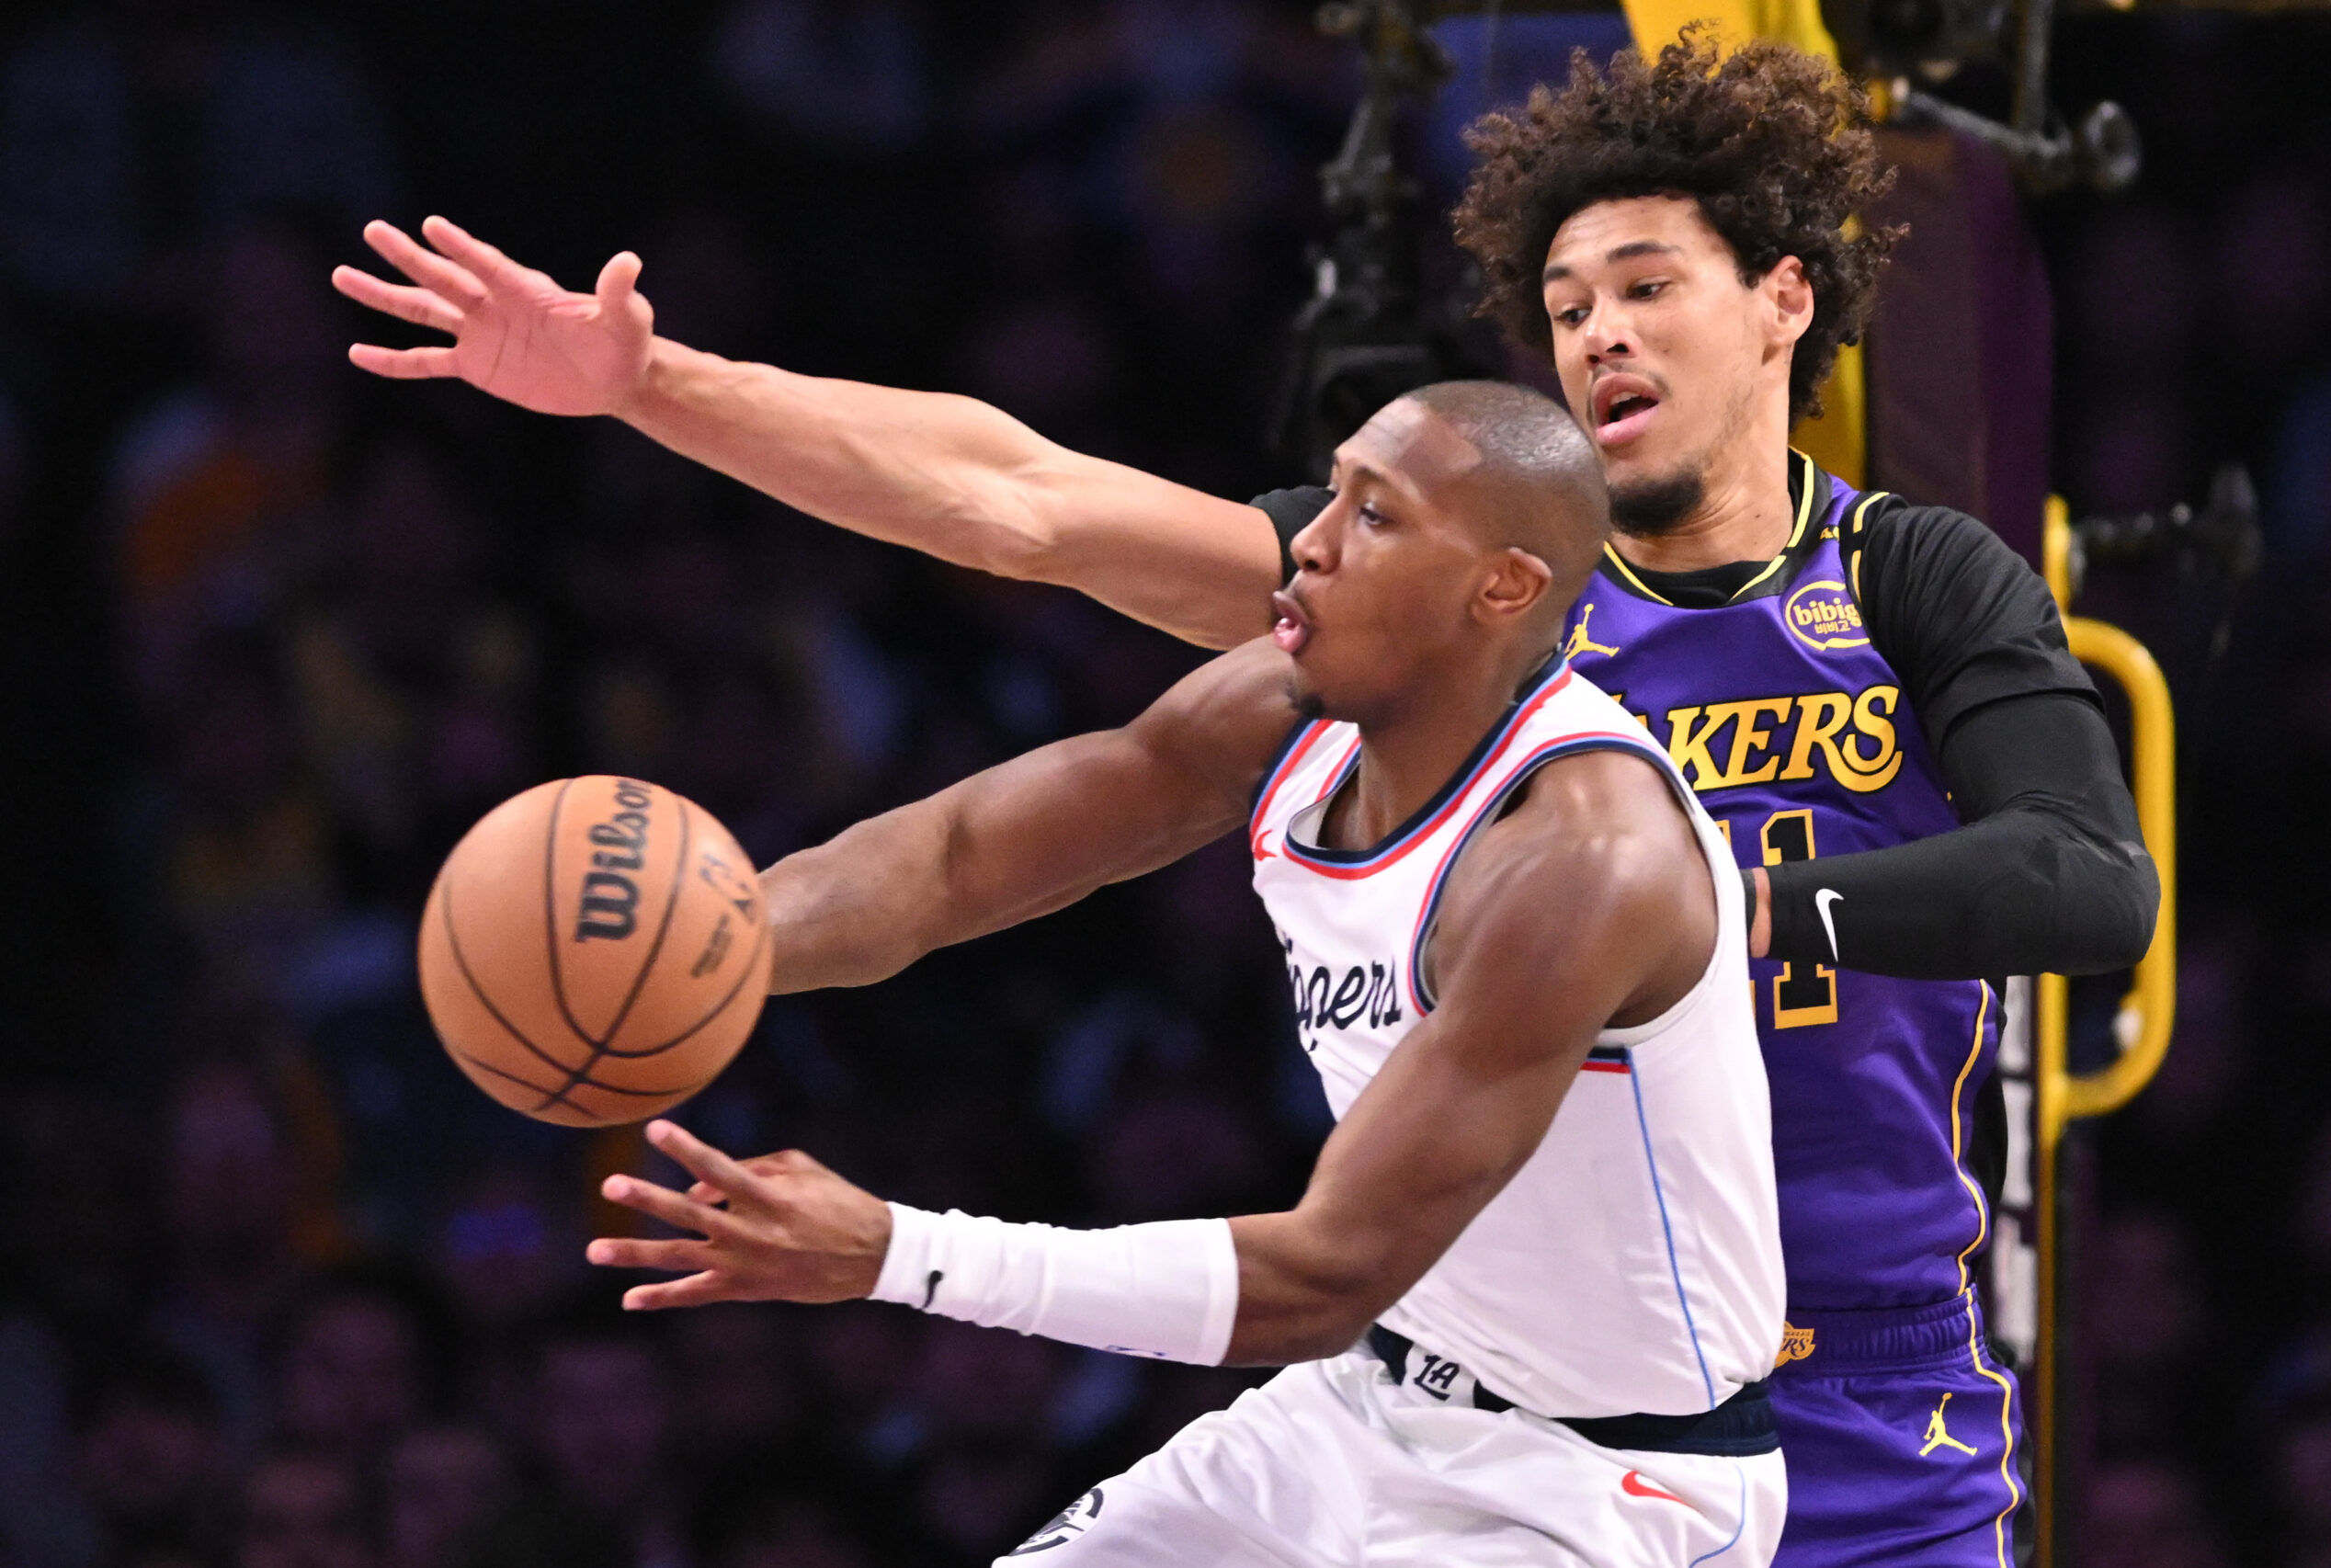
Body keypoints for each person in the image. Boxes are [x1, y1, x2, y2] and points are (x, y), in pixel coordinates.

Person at [332, 36, 2159, 1565]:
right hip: (1444, 1371)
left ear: (1781, 301)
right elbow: (1016, 505)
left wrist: (1769, 901)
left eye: (1644, 288)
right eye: (1561, 302)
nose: (1594, 334)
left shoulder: (1897, 582)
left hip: (1825, 1379)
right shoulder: (1427, 602)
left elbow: (2087, 885)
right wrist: (651, 383)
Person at [583, 382, 1790, 1566]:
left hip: (1607, 1486)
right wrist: (720, 945)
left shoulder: (1583, 860)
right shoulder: (1291, 708)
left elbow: (1325, 1271)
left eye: (1373, 516)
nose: (1306, 543)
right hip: (1361, 1407)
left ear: (1504, 586)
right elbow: (956, 861)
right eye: (1333, 500)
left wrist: (897, 1250)